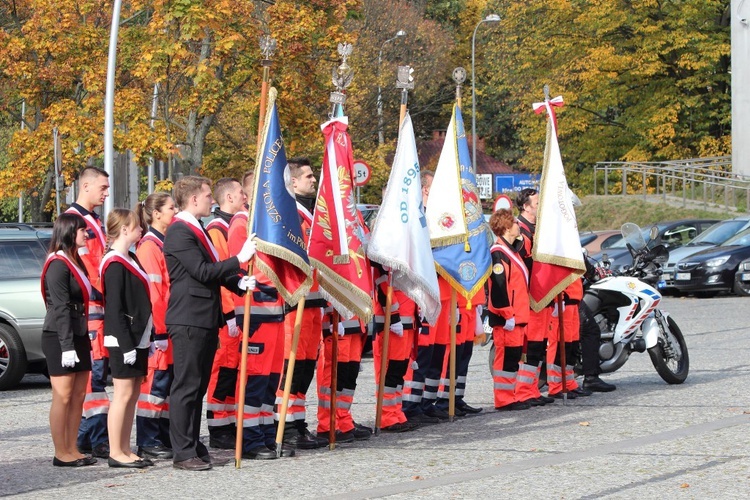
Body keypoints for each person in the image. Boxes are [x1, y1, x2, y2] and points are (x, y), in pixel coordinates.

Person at [164, 175, 257, 471]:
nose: (211, 200)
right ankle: (182, 452)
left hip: (203, 318)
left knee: (198, 386)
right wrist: (238, 259)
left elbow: (214, 273)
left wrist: (239, 283)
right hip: (189, 318)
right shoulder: (180, 231)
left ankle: (193, 445)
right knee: (186, 387)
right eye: (207, 195)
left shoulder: (196, 228)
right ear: (193, 199)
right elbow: (202, 271)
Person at [226, 172, 292, 460]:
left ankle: (265, 435)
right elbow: (238, 268)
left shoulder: (271, 223)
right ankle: (250, 440)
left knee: (270, 380)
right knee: (254, 379)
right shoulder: (243, 223)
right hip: (256, 313)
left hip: (275, 311)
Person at [41, 213, 97, 467]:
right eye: (82, 230)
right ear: (68, 232)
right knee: (62, 396)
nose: (86, 234)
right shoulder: (58, 264)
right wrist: (66, 346)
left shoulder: (75, 260)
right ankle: (60, 451)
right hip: (59, 336)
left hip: (78, 333)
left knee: (77, 396)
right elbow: (61, 307)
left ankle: (72, 447)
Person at [279, 158, 328, 450]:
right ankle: (284, 425)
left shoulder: (310, 213)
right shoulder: (291, 215)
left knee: (305, 368)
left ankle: (298, 424)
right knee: (291, 367)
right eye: (308, 176)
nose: (314, 179)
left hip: (313, 303)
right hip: (294, 305)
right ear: (293, 182)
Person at [101, 208, 154, 468]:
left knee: (132, 394)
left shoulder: (130, 257)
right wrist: (125, 344)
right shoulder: (113, 263)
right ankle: (115, 451)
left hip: (138, 337)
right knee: (122, 394)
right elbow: (113, 309)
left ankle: (125, 447)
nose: (141, 230)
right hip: (124, 339)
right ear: (124, 230)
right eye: (136, 226)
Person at [66, 166, 111, 458]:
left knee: (97, 376)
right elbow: (88, 268)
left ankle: (85, 438)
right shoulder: (75, 221)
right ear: (86, 186)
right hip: (91, 309)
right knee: (94, 379)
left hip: (99, 309)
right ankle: (98, 439)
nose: (106, 193)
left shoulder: (92, 220)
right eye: (103, 188)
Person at [205, 177, 247, 449]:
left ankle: (229, 424)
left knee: (232, 372)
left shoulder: (231, 225)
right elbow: (222, 274)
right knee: (222, 373)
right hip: (226, 314)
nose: (245, 196)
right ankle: (219, 430)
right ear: (229, 198)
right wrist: (230, 314)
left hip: (237, 310)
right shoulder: (217, 229)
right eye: (241, 192)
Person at [134, 193, 177, 459]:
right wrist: (159, 330)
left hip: (169, 326)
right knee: (154, 387)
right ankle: (148, 440)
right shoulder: (150, 247)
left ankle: (163, 436)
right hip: (160, 328)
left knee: (166, 387)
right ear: (156, 214)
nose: (175, 211)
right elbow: (154, 295)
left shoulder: (164, 243)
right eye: (171, 208)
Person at [513, 188, 555, 407]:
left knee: (539, 346)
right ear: (526, 206)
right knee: (529, 347)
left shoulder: (536, 229)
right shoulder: (521, 231)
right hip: (529, 299)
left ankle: (531, 389)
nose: (540, 207)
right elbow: (523, 267)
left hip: (541, 297)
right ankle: (523, 390)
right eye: (537, 204)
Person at [487, 209, 531, 411]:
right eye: (514, 222)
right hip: (507, 317)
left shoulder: (511, 250)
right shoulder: (498, 253)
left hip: (517, 315)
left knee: (513, 359)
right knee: (505, 359)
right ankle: (503, 399)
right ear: (505, 227)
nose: (518, 225)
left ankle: (510, 395)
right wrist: (507, 313)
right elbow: (498, 286)